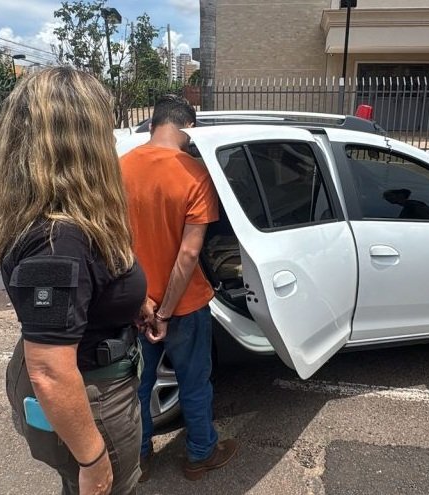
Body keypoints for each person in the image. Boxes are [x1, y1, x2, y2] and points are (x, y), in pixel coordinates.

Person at [0, 67, 147, 495]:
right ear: (82, 143)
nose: (113, 141)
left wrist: (133, 303)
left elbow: (91, 286)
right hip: (91, 395)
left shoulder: (64, 225)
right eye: (104, 128)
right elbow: (50, 373)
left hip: (88, 382)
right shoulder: (57, 242)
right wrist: (93, 460)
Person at [120, 95, 238, 482]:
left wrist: (143, 300)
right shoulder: (195, 174)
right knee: (194, 383)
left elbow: (113, 242)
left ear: (154, 125)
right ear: (188, 127)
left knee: (137, 385)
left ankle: (139, 458)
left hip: (134, 304)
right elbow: (188, 254)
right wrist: (166, 312)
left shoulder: (120, 168)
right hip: (184, 306)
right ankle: (200, 455)